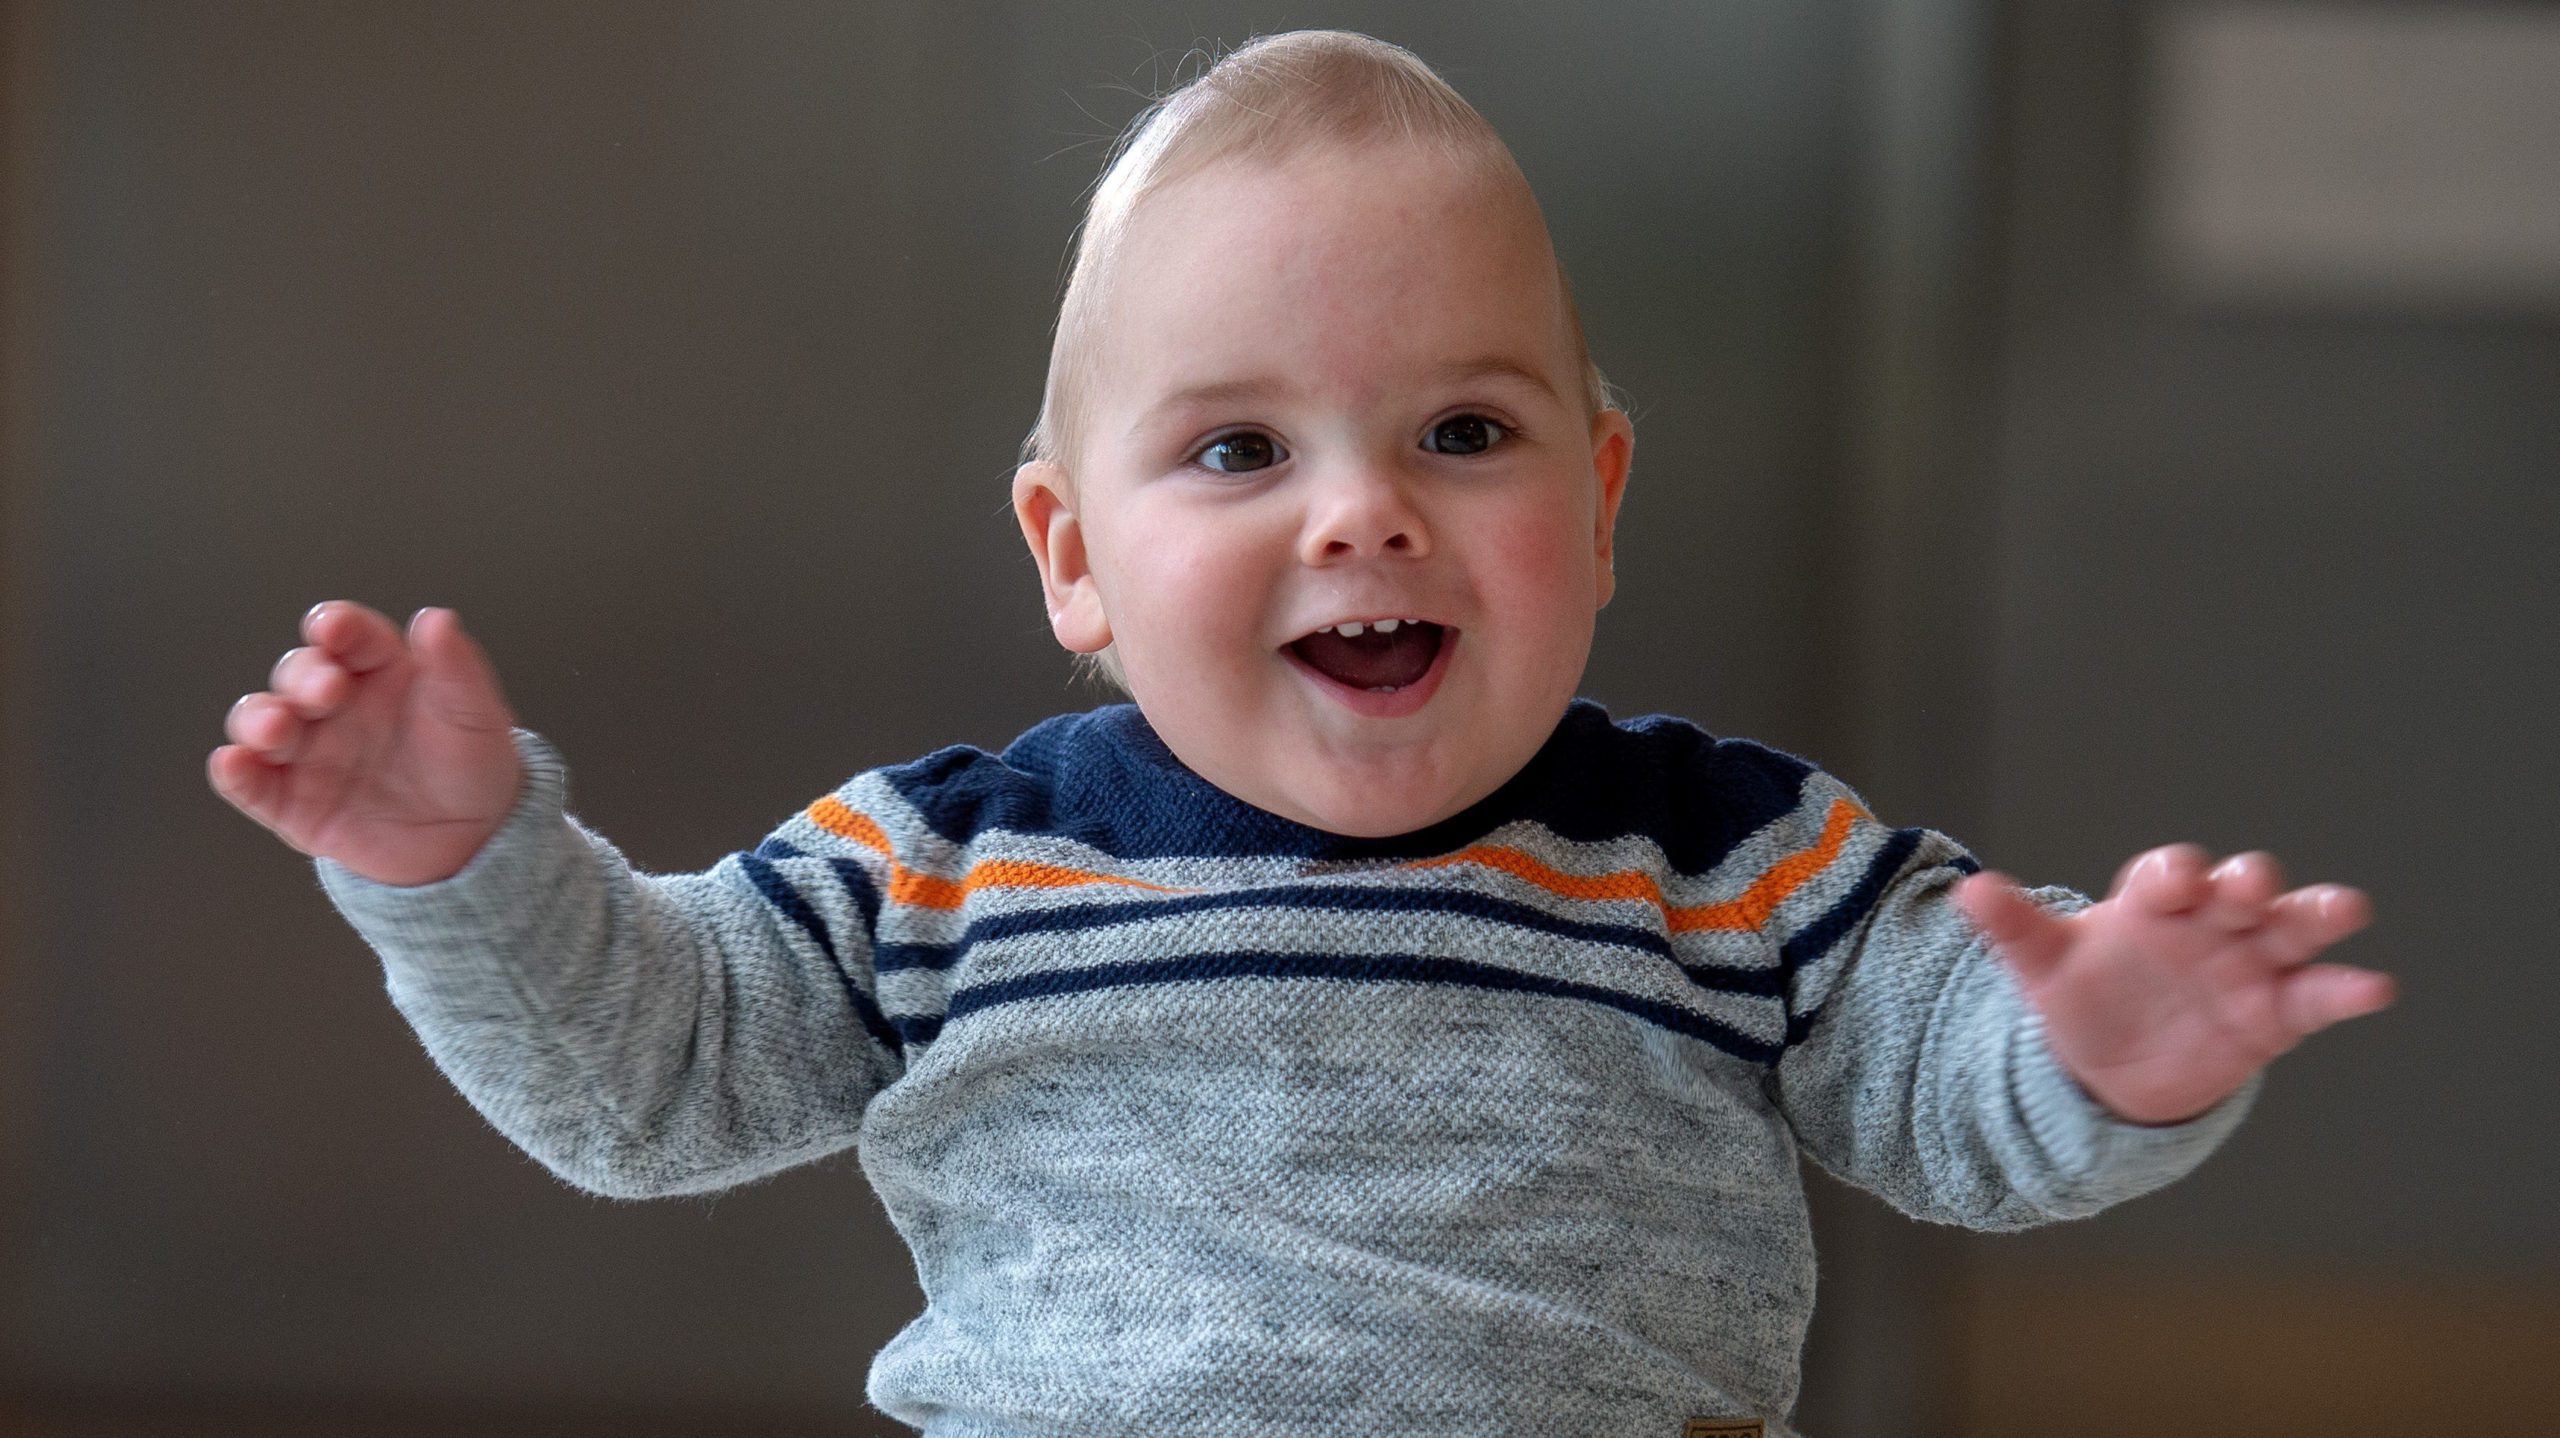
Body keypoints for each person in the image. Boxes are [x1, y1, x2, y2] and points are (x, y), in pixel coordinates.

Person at [206, 30, 2396, 1438]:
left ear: (1599, 501)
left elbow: (1955, 1108)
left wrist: (2096, 1054)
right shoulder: (949, 867)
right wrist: (462, 865)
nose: (1363, 507)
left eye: (1460, 427)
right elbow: (651, 1078)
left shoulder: (1727, 858)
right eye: (1237, 447)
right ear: (1070, 555)